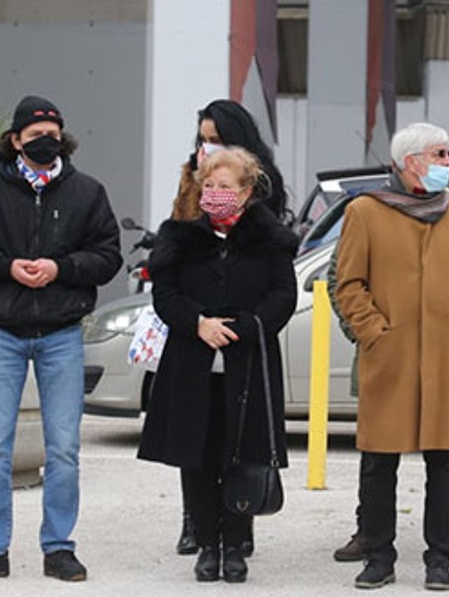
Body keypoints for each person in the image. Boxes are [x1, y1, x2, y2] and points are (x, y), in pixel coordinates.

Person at [0, 95, 122, 582]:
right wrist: (7, 267)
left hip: (62, 333)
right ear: (15, 140)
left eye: (53, 134)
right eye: (35, 135)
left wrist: (59, 269)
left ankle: (59, 547)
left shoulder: (87, 192)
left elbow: (109, 256)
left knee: (64, 448)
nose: (45, 142)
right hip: (1, 331)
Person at [335, 122, 449, 591]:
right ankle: (379, 557)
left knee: (444, 462)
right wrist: (375, 335)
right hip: (390, 357)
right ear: (411, 162)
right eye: (440, 154)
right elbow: (348, 284)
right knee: (380, 462)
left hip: (443, 357)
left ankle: (439, 557)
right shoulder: (365, 211)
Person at [137, 147, 298, 583]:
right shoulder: (181, 239)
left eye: (225, 187)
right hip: (194, 363)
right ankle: (207, 544)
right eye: (208, 186)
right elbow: (165, 295)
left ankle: (237, 544)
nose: (215, 194)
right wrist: (198, 324)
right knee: (199, 456)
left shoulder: (270, 241)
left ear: (246, 192)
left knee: (242, 454)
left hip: (247, 364)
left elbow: (283, 297)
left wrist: (246, 327)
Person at [169, 99, 288, 557]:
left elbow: (279, 282)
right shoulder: (191, 180)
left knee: (242, 439)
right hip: (196, 319)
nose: (206, 146)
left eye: (215, 138)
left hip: (243, 329)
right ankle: (196, 527)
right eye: (202, 137)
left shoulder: (262, 189)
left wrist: (248, 323)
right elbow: (174, 254)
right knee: (195, 438)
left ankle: (240, 526)